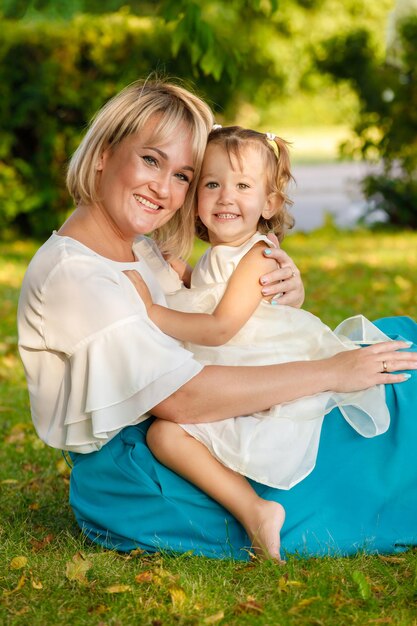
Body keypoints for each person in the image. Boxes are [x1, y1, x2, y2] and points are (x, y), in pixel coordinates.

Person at [17, 79, 417, 563]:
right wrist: (333, 372)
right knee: (390, 415)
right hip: (153, 470)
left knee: (398, 343)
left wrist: (282, 286)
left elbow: (210, 310)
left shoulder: (138, 247)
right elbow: (182, 399)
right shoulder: (76, 277)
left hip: (196, 426)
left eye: (183, 174)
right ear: (103, 153)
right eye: (150, 159)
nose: (165, 188)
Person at [124, 125, 414, 560]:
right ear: (197, 197)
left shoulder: (258, 253)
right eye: (212, 184)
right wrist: (184, 278)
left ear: (269, 202)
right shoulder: (218, 256)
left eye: (243, 186)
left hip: (259, 362)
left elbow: (221, 327)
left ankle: (261, 507)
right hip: (226, 367)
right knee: (165, 437)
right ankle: (256, 510)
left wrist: (154, 312)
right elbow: (210, 296)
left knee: (169, 434)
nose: (226, 197)